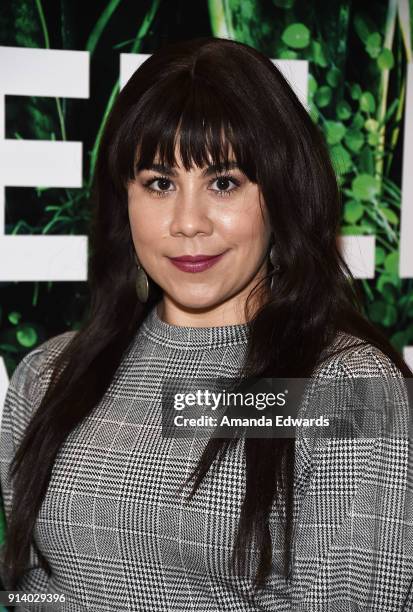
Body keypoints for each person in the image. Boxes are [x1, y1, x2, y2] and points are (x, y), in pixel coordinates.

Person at [0, 36, 412, 611]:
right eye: (159, 183)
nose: (187, 223)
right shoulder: (48, 376)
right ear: (125, 200)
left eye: (225, 182)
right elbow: (34, 595)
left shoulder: (345, 391)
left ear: (283, 195)